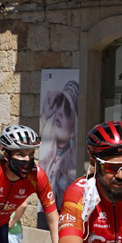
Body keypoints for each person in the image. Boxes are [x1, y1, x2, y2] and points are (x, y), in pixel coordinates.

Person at [38, 79, 80, 218]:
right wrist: (44, 116)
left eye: (67, 109)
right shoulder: (46, 156)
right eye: (59, 104)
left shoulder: (73, 165)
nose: (60, 112)